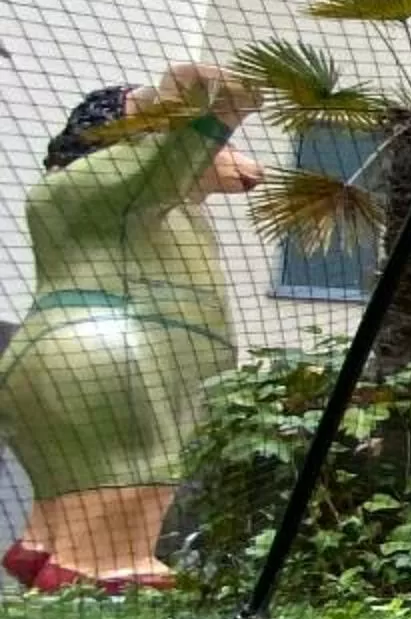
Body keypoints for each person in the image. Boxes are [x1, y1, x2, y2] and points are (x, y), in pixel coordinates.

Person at [0, 62, 260, 591]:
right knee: (138, 463)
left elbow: (173, 171)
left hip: (93, 353)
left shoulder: (162, 208)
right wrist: (216, 111)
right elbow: (162, 160)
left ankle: (49, 548)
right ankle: (107, 568)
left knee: (80, 478)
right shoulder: (87, 184)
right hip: (106, 356)